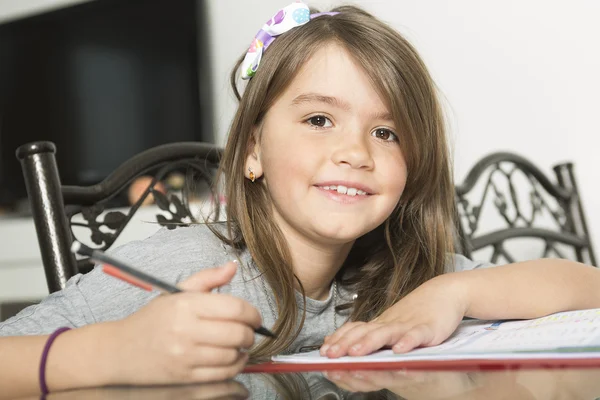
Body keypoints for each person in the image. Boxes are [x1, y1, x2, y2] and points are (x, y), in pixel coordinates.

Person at [1, 2, 599, 397]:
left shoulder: (401, 279)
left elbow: (587, 287)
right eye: (318, 119)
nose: (356, 152)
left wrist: (457, 290)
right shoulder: (186, 266)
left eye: (386, 133)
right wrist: (111, 352)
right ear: (252, 151)